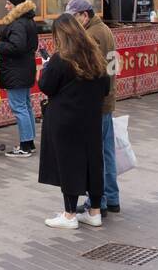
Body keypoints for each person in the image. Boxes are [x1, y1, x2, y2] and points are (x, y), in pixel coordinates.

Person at [38, 13, 109, 230]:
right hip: (91, 119)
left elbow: (46, 86)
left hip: (65, 120)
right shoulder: (95, 55)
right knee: (93, 163)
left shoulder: (62, 58)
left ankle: (69, 215)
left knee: (68, 164)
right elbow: (105, 88)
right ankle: (94, 212)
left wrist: (45, 68)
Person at [65, 0, 120, 216]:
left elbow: (90, 70)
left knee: (96, 154)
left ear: (84, 16)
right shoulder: (103, 29)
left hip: (97, 101)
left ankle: (99, 202)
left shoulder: (92, 35)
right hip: (106, 98)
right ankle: (111, 197)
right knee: (106, 152)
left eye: (74, 18)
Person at [0, 0, 39, 157]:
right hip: (24, 69)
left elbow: (17, 47)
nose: (6, 6)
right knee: (26, 106)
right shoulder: (28, 21)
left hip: (16, 71)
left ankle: (25, 146)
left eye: (8, 4)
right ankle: (29, 143)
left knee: (20, 107)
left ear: (16, 6)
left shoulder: (19, 23)